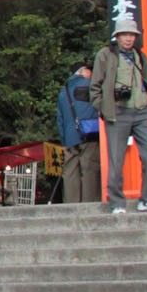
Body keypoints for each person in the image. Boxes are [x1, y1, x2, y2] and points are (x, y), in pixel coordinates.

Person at [90, 17, 147, 214]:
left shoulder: (140, 56)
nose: (129, 38)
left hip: (143, 111)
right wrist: (103, 107)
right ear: (117, 36)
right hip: (118, 112)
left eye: (132, 34)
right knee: (116, 159)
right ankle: (116, 202)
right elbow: (95, 86)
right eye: (124, 34)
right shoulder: (105, 55)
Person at [54, 59, 101, 204]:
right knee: (89, 169)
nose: (91, 73)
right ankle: (90, 203)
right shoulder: (89, 85)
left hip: (70, 137)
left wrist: (64, 140)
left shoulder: (63, 92)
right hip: (89, 134)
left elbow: (60, 119)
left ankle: (71, 204)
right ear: (81, 71)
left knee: (70, 172)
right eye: (89, 70)